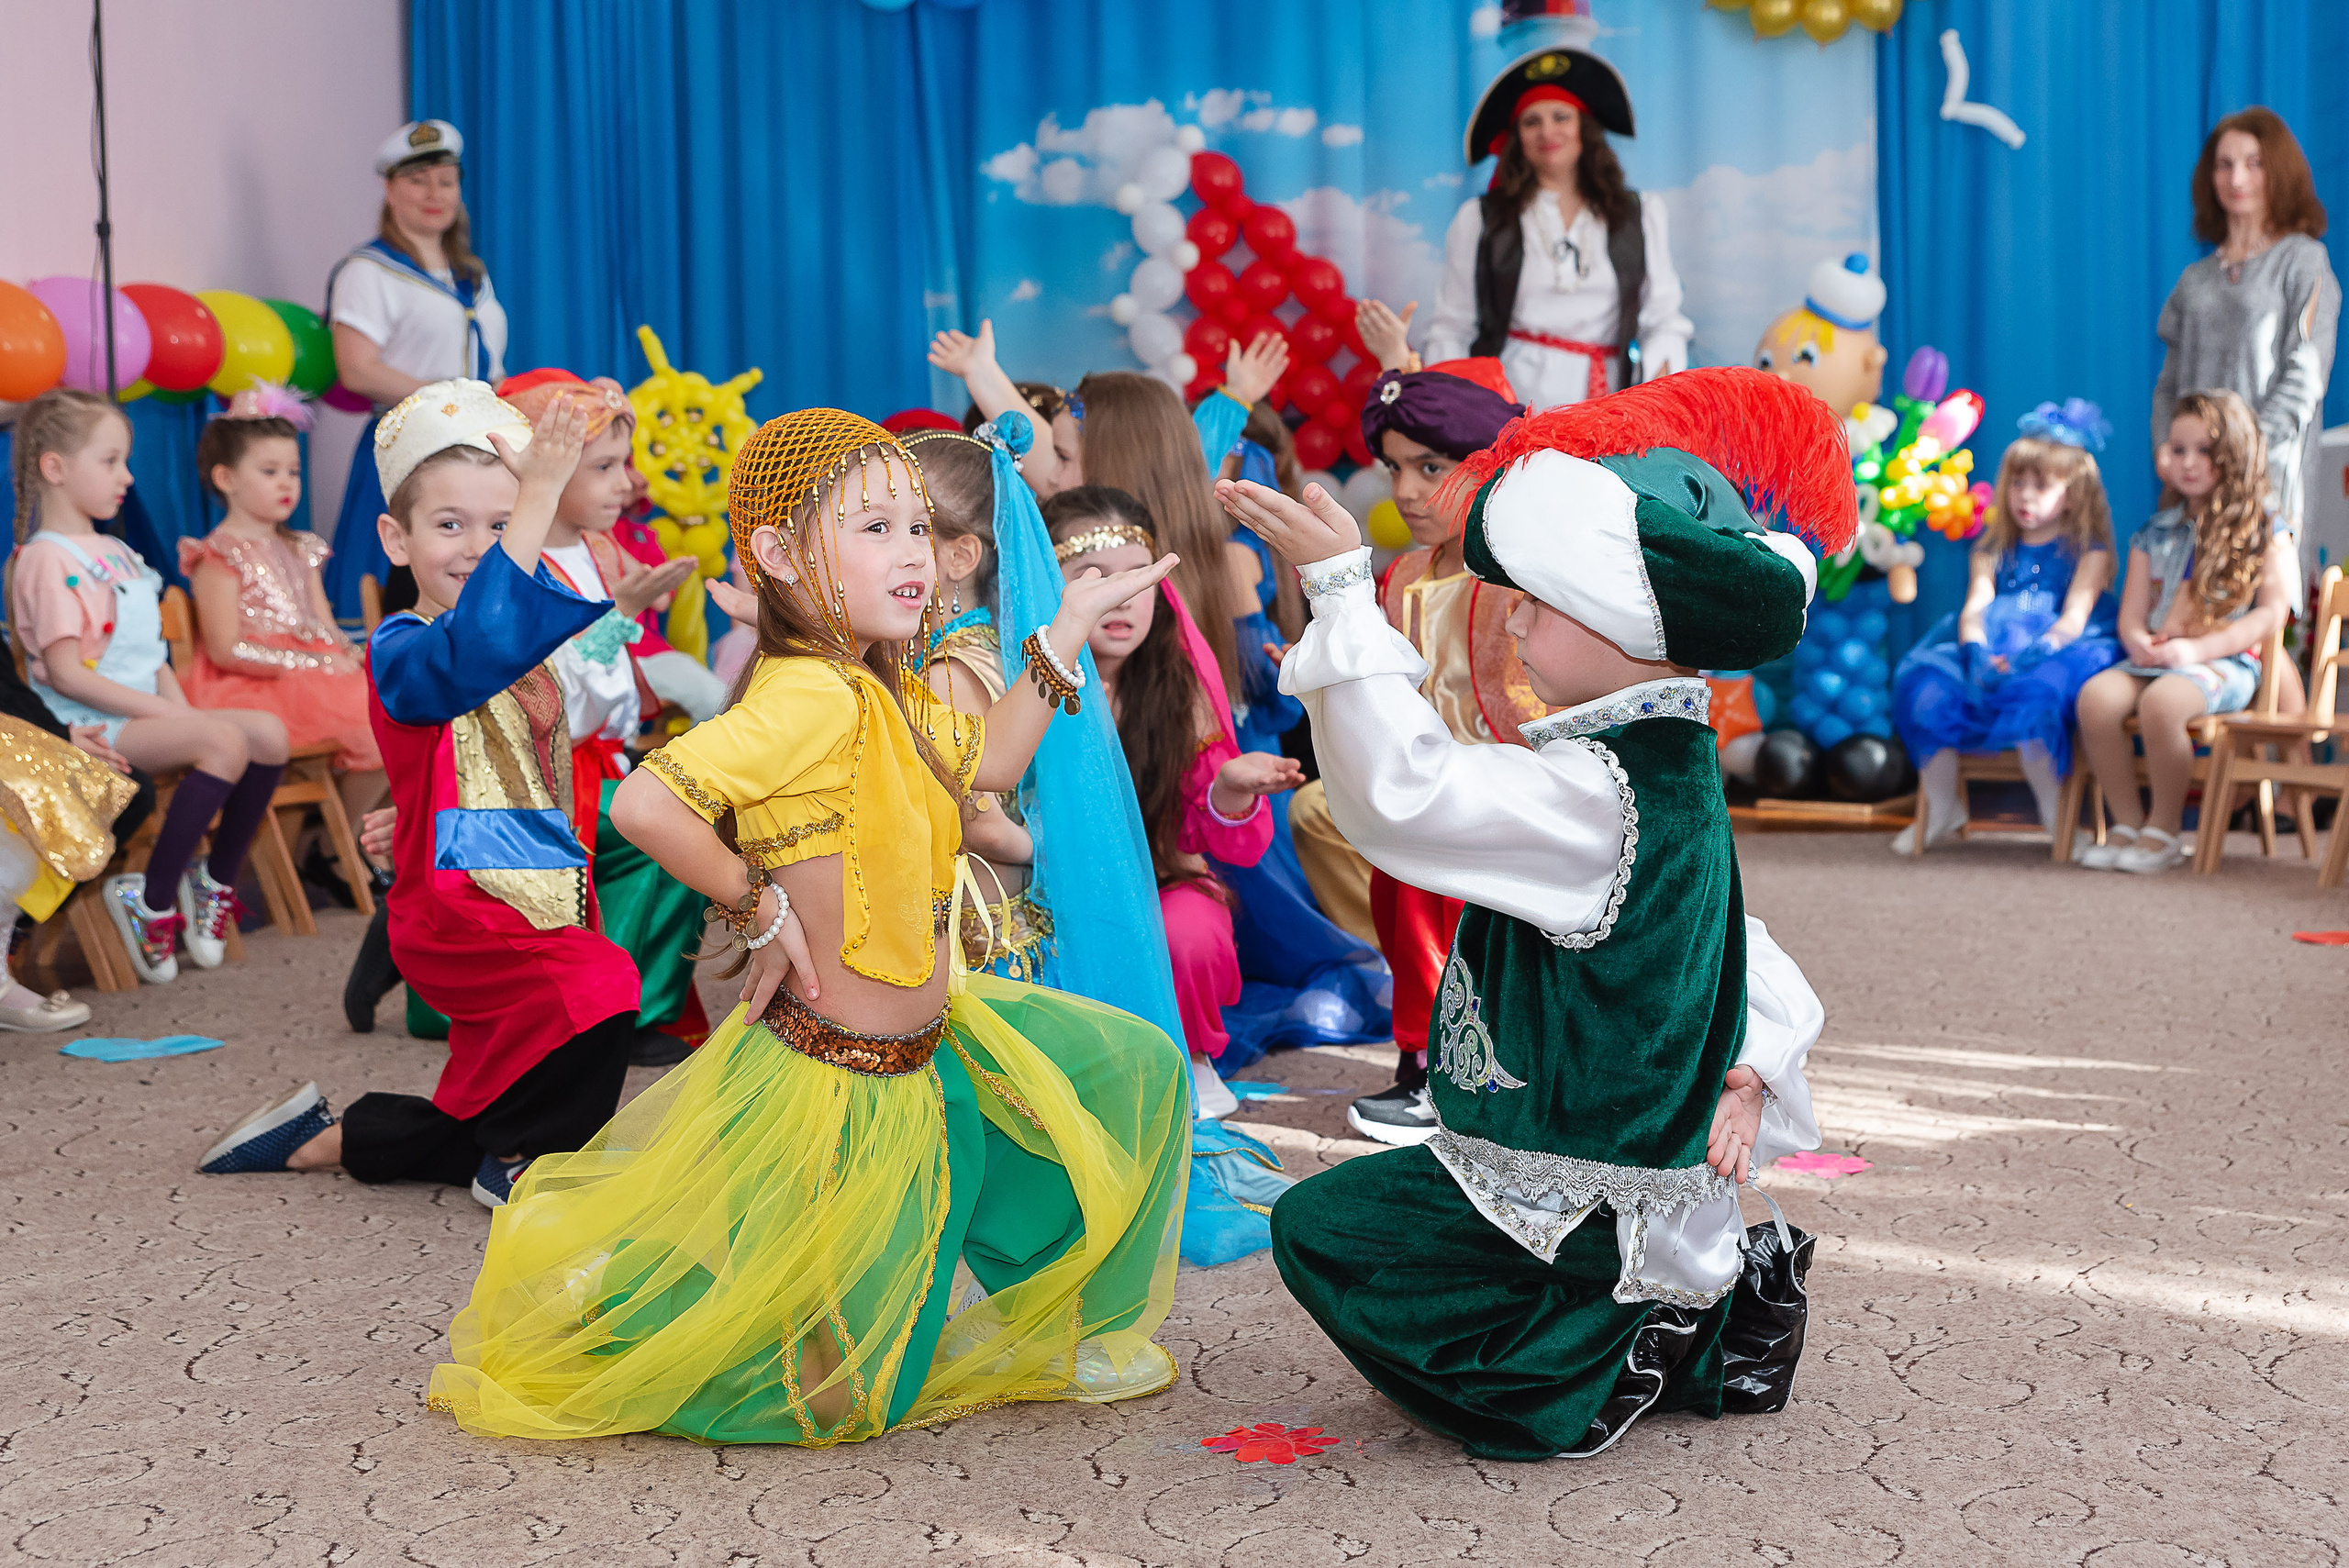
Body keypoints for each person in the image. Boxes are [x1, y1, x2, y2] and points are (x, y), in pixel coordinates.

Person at [428, 408, 1190, 1444]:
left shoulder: (879, 686)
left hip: (932, 1049)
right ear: (782, 555)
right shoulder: (810, 697)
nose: (911, 550)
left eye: (915, 526)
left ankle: (1074, 1329)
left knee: (1129, 1065)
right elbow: (644, 805)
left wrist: (1056, 637)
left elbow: (991, 768)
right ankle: (629, 1306)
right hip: (845, 1086)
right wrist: (757, 899)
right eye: (872, 528)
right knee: (834, 1398)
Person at [1219, 364, 1842, 1463]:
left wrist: (1337, 596)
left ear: (1628, 627)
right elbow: (1722, 934)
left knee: (1326, 1231)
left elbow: (1405, 799)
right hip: (1610, 1163)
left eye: (1540, 601)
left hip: (1575, 1180)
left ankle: (1584, 1359)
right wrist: (1750, 1057)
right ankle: (1679, 1310)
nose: (1509, 616)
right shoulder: (1662, 762)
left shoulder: (1596, 789)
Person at [195, 382, 638, 1207]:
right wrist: (538, 492)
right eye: (450, 524)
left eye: (501, 524)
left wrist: (415, 802)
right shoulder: (401, 645)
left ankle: (326, 1138)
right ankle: (526, 1163)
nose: (477, 546)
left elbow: (495, 747)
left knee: (485, 1097)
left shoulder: (518, 650)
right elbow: (467, 660)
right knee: (601, 984)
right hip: (459, 908)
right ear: (395, 540)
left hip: (541, 886)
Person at [1318, 358, 1547, 1148]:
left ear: (1489, 467)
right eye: (1394, 469)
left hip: (1502, 784)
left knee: (1448, 918)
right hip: (1421, 777)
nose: (1406, 490)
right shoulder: (1405, 573)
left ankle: (1452, 1075)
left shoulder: (1515, 573)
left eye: (1431, 467)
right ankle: (1423, 1061)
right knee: (1401, 901)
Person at [6, 388, 290, 985]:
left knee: (268, 736)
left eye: (126, 461)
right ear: (54, 468)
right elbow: (65, 673)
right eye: (110, 461)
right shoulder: (44, 558)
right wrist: (172, 718)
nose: (128, 477)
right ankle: (153, 900)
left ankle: (212, 879)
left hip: (143, 710)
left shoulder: (118, 551)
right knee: (221, 744)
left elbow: (152, 653)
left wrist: (183, 713)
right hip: (87, 720)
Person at [1042, 486, 1296, 1114]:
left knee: (1190, 928)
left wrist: (1229, 786)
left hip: (1156, 884)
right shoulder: (1022, 680)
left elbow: (1204, 827)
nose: (1121, 598)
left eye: (1139, 578)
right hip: (1044, 896)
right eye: (1092, 578)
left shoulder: (1175, 688)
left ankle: (1192, 1055)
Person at [2076, 390, 2296, 875]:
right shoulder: (2154, 533)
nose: (2189, 463)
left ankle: (2165, 829)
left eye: (2205, 451)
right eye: (2178, 450)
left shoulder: (2266, 529)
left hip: (2227, 663)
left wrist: (2196, 649)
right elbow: (2133, 613)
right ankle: (2128, 824)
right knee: (2095, 699)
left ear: (2235, 456)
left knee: (2164, 704)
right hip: (2155, 656)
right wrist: (2136, 639)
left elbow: (2270, 616)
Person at [1889, 400, 2122, 853]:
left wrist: (2032, 654)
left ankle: (2056, 816)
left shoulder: (2088, 552)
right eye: (2017, 483)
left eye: (2041, 485)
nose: (2025, 495)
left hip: (2057, 648)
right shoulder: (1992, 549)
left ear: (2074, 494)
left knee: (2035, 697)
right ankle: (1942, 805)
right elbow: (1976, 606)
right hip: (1988, 643)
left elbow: (2075, 617)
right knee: (1926, 689)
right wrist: (1976, 652)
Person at [1423, 45, 1689, 409]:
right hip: (1510, 402)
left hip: (1608, 400)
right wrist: (1454, 412)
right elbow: (1452, 328)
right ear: (1518, 138)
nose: (1547, 131)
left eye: (1561, 116)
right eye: (1532, 121)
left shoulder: (1640, 214)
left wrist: (1661, 382)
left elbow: (1663, 319)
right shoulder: (1482, 219)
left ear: (1585, 128)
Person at [322, 119, 512, 620]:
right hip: (409, 446)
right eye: (418, 180)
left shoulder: (472, 274)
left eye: (446, 182)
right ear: (389, 189)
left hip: (477, 452)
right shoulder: (367, 270)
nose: (435, 194)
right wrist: (451, 405)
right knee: (400, 595)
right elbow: (357, 369)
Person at [181, 384, 385, 840]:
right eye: (269, 470)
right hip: (252, 682)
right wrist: (312, 662)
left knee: (402, 706)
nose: (286, 483)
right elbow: (225, 649)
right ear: (226, 479)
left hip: (316, 673)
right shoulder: (219, 554)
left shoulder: (302, 547)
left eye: (293, 471)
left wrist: (349, 655)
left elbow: (325, 625)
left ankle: (343, 842)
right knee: (372, 724)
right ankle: (343, 845)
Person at [2153, 107, 2338, 559]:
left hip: (2263, 479)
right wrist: (2168, 449)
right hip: (2193, 482)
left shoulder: (2303, 261)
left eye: (2254, 163)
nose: (2237, 177)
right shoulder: (2194, 277)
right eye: (2224, 163)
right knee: (2179, 609)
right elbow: (2169, 386)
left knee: (2256, 614)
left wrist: (2240, 453)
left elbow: (2304, 378)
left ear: (2279, 171)